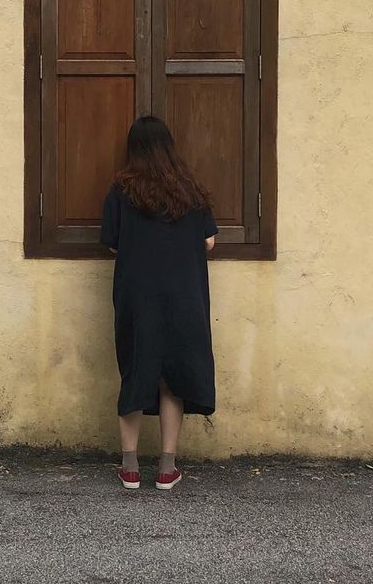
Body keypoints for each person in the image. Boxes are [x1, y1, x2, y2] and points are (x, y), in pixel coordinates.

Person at [99, 115, 218, 491]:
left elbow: (112, 243)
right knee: (172, 380)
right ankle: (167, 469)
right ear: (170, 147)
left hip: (138, 296)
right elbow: (209, 241)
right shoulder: (191, 191)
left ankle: (130, 468)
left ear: (133, 149)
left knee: (136, 371)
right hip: (184, 297)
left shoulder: (122, 191)